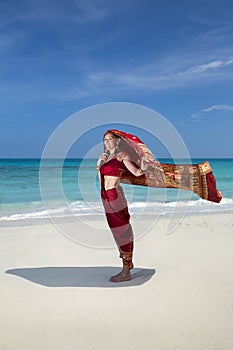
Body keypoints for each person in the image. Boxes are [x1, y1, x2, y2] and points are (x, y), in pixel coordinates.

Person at [96, 131, 147, 283]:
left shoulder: (122, 156)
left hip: (115, 196)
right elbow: (101, 180)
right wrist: (98, 165)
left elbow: (137, 172)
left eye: (110, 139)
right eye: (105, 139)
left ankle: (126, 271)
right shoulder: (105, 159)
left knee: (122, 231)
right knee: (115, 231)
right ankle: (127, 264)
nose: (107, 142)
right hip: (105, 197)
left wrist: (144, 164)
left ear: (117, 141)